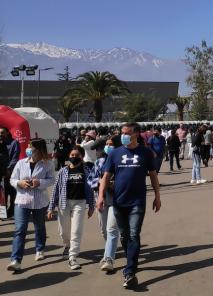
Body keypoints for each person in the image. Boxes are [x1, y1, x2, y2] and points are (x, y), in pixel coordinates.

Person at [97, 122, 161, 289]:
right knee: (125, 236)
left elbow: (153, 176)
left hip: (137, 202)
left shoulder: (146, 153)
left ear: (136, 134)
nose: (123, 135)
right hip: (118, 202)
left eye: (127, 133)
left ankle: (130, 271)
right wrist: (101, 196)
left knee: (133, 234)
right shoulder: (115, 153)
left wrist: (157, 196)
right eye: (122, 132)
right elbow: (105, 176)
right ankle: (131, 260)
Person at [7, 139, 55, 272]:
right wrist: (19, 183)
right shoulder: (21, 163)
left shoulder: (47, 164)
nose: (28, 148)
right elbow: (12, 179)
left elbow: (52, 179)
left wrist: (39, 182)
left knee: (39, 227)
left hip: (39, 201)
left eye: (31, 146)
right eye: (28, 146)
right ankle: (16, 260)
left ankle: (40, 249)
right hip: (22, 201)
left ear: (39, 149)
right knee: (20, 230)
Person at [47, 145, 95, 270]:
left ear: (82, 156)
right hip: (64, 203)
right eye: (72, 155)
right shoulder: (63, 171)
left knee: (76, 230)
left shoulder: (87, 170)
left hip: (80, 202)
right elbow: (56, 189)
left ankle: (72, 257)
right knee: (64, 231)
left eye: (77, 155)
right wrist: (51, 207)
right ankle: (67, 245)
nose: (74, 157)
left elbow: (91, 190)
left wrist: (91, 206)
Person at [91, 134, 121, 273]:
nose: (108, 147)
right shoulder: (99, 162)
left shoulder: (122, 160)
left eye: (111, 144)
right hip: (101, 199)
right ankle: (110, 249)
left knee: (111, 229)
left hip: (116, 200)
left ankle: (108, 258)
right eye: (106, 145)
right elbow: (90, 179)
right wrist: (99, 183)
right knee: (104, 229)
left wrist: (115, 184)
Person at [1, 127, 20, 219]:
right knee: (2, 194)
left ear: (7, 133)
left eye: (2, 132)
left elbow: (15, 157)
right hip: (1, 173)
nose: (1, 134)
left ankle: (11, 211)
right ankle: (2, 213)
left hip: (11, 173)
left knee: (12, 193)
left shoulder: (14, 143)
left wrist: (8, 169)